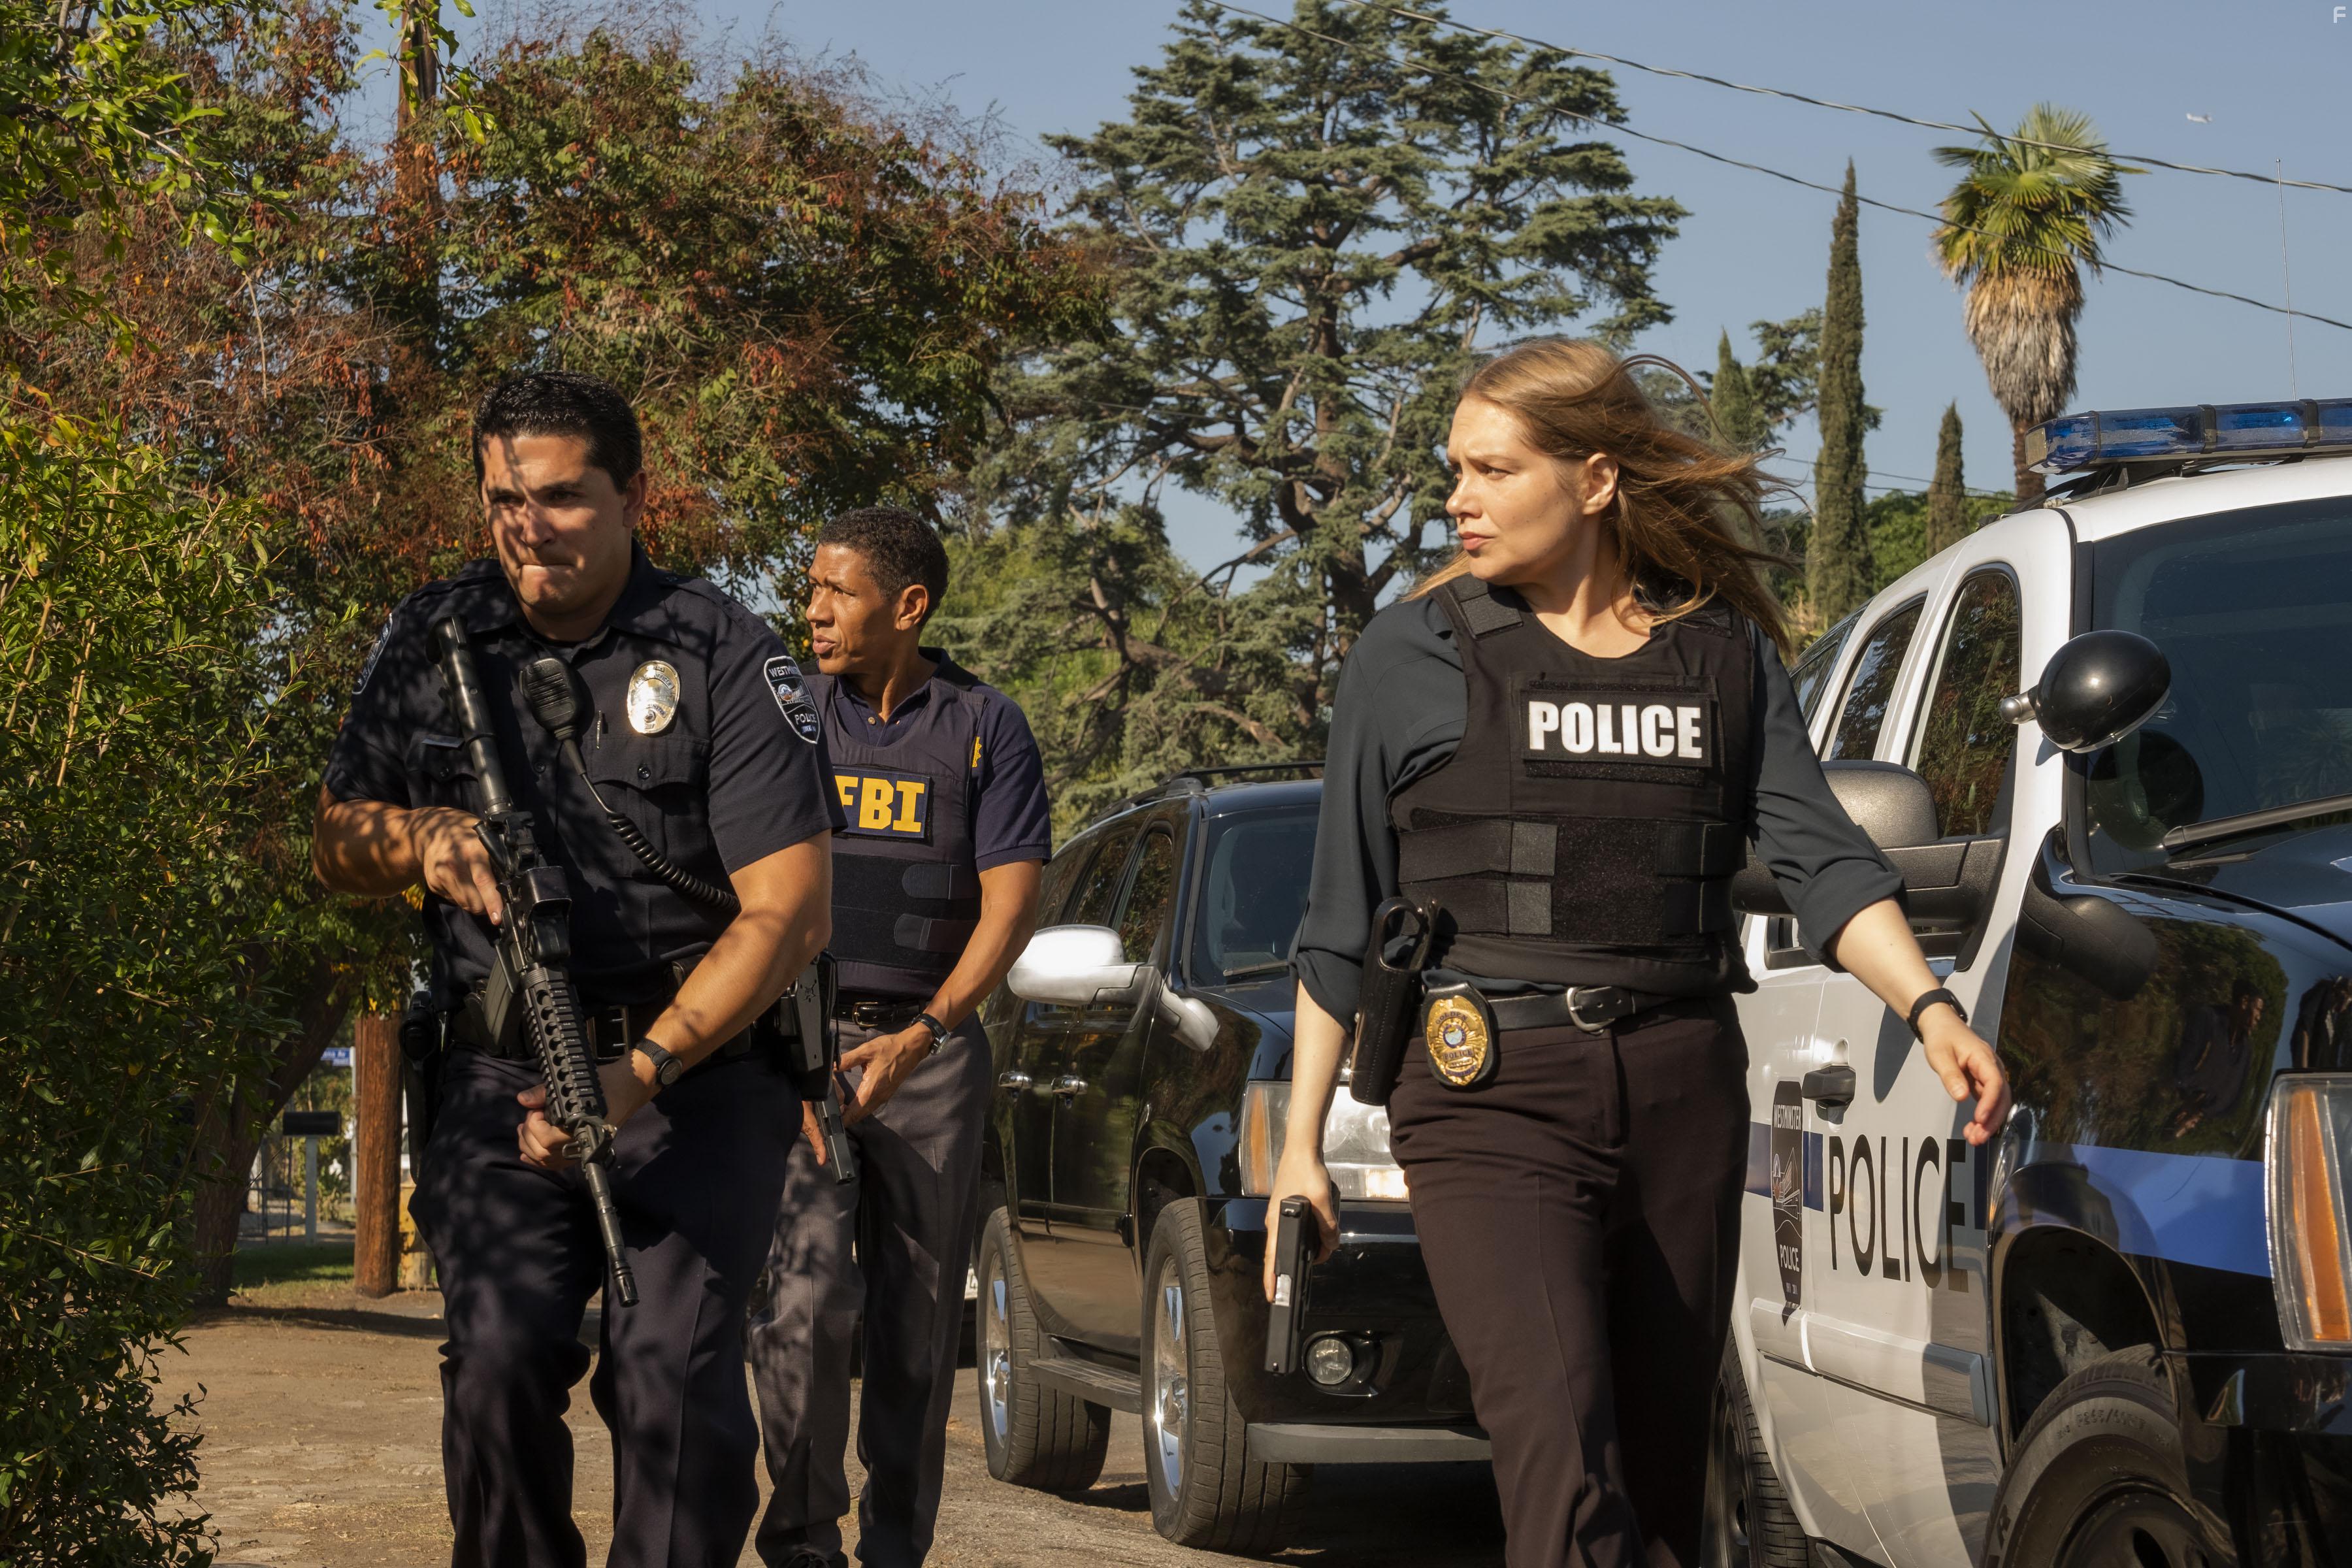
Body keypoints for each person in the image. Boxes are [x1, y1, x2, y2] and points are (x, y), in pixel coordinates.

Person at [1269, 340, 2011, 1568]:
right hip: (1485, 1093)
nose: (1457, 497)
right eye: (1456, 468)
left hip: (1682, 1086)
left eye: (1494, 470)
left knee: (1663, 1478)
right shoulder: (1408, 657)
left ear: (1597, 479)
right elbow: (1340, 918)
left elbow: (1825, 859)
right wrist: (1300, 1148)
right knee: (1562, 1463)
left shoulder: (1721, 656)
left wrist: (1933, 1011)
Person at [312, 370, 841, 1568]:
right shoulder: (435, 633)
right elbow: (335, 833)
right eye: (504, 499)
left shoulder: (719, 651)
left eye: (559, 499)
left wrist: (637, 1074)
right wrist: (419, 839)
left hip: (696, 1078)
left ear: (634, 494)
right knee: (495, 1368)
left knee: (671, 1388)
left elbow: (789, 913)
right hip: (501, 1074)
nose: (526, 528)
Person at [747, 507, 1050, 1568]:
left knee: (919, 1335)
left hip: (931, 1056)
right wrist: (779, 1041)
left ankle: (892, 1551)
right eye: (812, 588)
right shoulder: (787, 719)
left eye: (837, 591)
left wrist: (924, 1035)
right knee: (803, 1300)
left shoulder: (984, 726)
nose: (813, 610)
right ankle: (802, 1546)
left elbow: (1009, 909)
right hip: (800, 1049)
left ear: (908, 605)